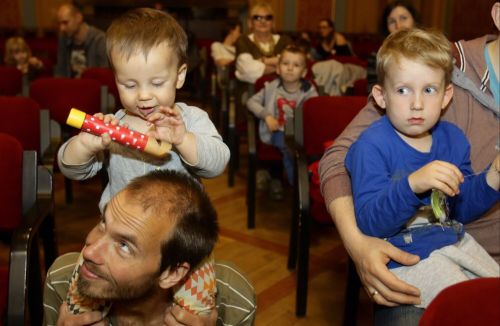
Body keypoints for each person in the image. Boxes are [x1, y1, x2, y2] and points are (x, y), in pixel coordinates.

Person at [319, 2, 500, 325]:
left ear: (444, 97)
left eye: (428, 91)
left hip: (456, 239)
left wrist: (494, 178)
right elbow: (369, 219)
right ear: (381, 96)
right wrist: (412, 185)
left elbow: (460, 204)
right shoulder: (373, 144)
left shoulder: (453, 140)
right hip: (408, 253)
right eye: (403, 91)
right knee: (472, 308)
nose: (417, 103)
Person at [57, 7, 229, 212]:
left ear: (179, 75)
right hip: (122, 234)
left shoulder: (192, 119)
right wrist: (84, 145)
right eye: (129, 85)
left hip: (179, 233)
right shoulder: (113, 126)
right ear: (116, 79)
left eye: (157, 83)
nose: (144, 96)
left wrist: (184, 140)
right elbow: (71, 169)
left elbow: (218, 164)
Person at [43, 170, 257, 325]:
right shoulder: (62, 278)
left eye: (124, 246)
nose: (89, 252)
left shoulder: (233, 300)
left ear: (172, 273)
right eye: (103, 222)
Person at [247, 45, 317, 199]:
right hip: (278, 131)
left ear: (304, 72)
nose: (290, 68)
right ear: (278, 68)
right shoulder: (271, 87)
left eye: (296, 65)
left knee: (304, 150)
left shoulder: (309, 91)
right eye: (286, 64)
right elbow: (251, 101)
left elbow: (315, 112)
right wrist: (266, 116)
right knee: (288, 148)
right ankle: (298, 189)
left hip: (300, 132)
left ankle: (309, 180)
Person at [367, 0, 420, 92]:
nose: (398, 26)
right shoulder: (377, 56)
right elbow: (372, 93)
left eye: (403, 18)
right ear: (386, 27)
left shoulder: (428, 54)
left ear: (414, 22)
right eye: (392, 21)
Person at [234, 1, 292, 84]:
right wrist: (277, 64)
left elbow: (293, 66)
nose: (263, 21)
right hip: (251, 92)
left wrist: (262, 61)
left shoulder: (284, 40)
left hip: (282, 90)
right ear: (250, 22)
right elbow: (247, 70)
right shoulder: (243, 41)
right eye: (258, 18)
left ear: (273, 22)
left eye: (268, 17)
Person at [54, 1, 108, 78]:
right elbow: (60, 71)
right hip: (70, 87)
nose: (61, 28)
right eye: (59, 24)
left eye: (65, 22)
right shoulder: (63, 39)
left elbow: (105, 75)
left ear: (78, 18)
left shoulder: (100, 39)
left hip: (92, 87)